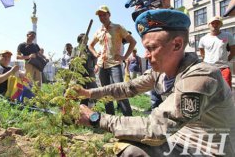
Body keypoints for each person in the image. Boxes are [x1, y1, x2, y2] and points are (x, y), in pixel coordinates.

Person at [75, 9, 235, 156]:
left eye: (151, 48)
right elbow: (127, 88)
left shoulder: (203, 76)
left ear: (177, 44)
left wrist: (96, 118)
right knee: (128, 145)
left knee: (130, 150)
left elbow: (155, 128)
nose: (145, 55)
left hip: (209, 150)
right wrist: (88, 93)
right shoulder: (161, 72)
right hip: (180, 141)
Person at [88, 5, 136, 116]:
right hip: (102, 65)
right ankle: (110, 118)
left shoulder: (118, 28)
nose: (102, 17)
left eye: (104, 14)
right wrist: (96, 54)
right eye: (100, 15)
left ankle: (128, 118)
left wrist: (124, 57)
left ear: (109, 15)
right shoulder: (98, 31)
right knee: (105, 93)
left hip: (114, 65)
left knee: (120, 91)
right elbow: (90, 45)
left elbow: (132, 42)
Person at [198, 16, 235, 88]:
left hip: (223, 68)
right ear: (209, 25)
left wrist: (226, 60)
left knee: (226, 91)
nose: (215, 25)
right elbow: (202, 53)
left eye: (217, 23)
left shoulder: (228, 36)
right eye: (212, 23)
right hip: (208, 69)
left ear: (220, 25)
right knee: (209, 90)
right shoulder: (203, 39)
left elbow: (233, 51)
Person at [71, 33, 98, 107]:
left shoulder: (90, 48)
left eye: (87, 39)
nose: (86, 40)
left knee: (92, 88)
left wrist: (96, 65)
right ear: (79, 40)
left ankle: (92, 106)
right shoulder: (75, 49)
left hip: (90, 71)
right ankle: (82, 105)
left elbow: (95, 57)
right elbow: (72, 59)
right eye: (84, 39)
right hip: (79, 72)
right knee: (81, 89)